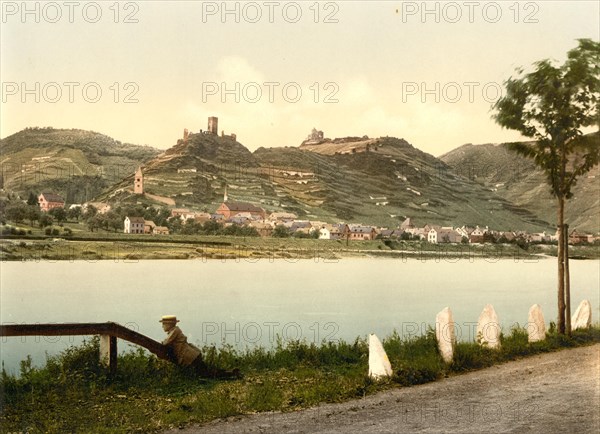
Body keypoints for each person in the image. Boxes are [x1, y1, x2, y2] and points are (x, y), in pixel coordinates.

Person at [159, 315, 241, 379]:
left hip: (190, 357)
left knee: (205, 374)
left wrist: (162, 343)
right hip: (192, 355)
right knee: (205, 372)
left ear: (169, 324)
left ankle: (230, 373)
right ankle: (230, 372)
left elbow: (166, 342)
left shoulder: (175, 331)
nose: (162, 326)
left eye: (163, 324)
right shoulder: (174, 331)